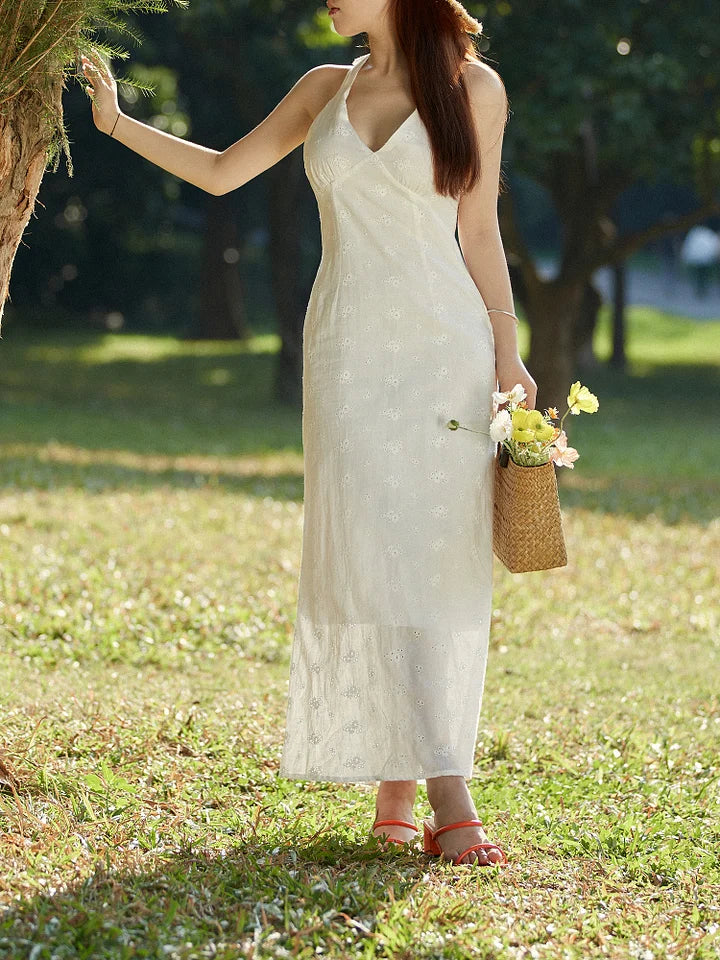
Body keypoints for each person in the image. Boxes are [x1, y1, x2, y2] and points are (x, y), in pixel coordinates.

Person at [81, 0, 536, 869]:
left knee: (433, 552)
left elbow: (480, 229)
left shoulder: (475, 89)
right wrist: (113, 123)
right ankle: (416, 786)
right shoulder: (323, 89)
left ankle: (429, 787)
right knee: (369, 550)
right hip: (346, 354)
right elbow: (221, 172)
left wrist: (508, 356)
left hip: (445, 349)